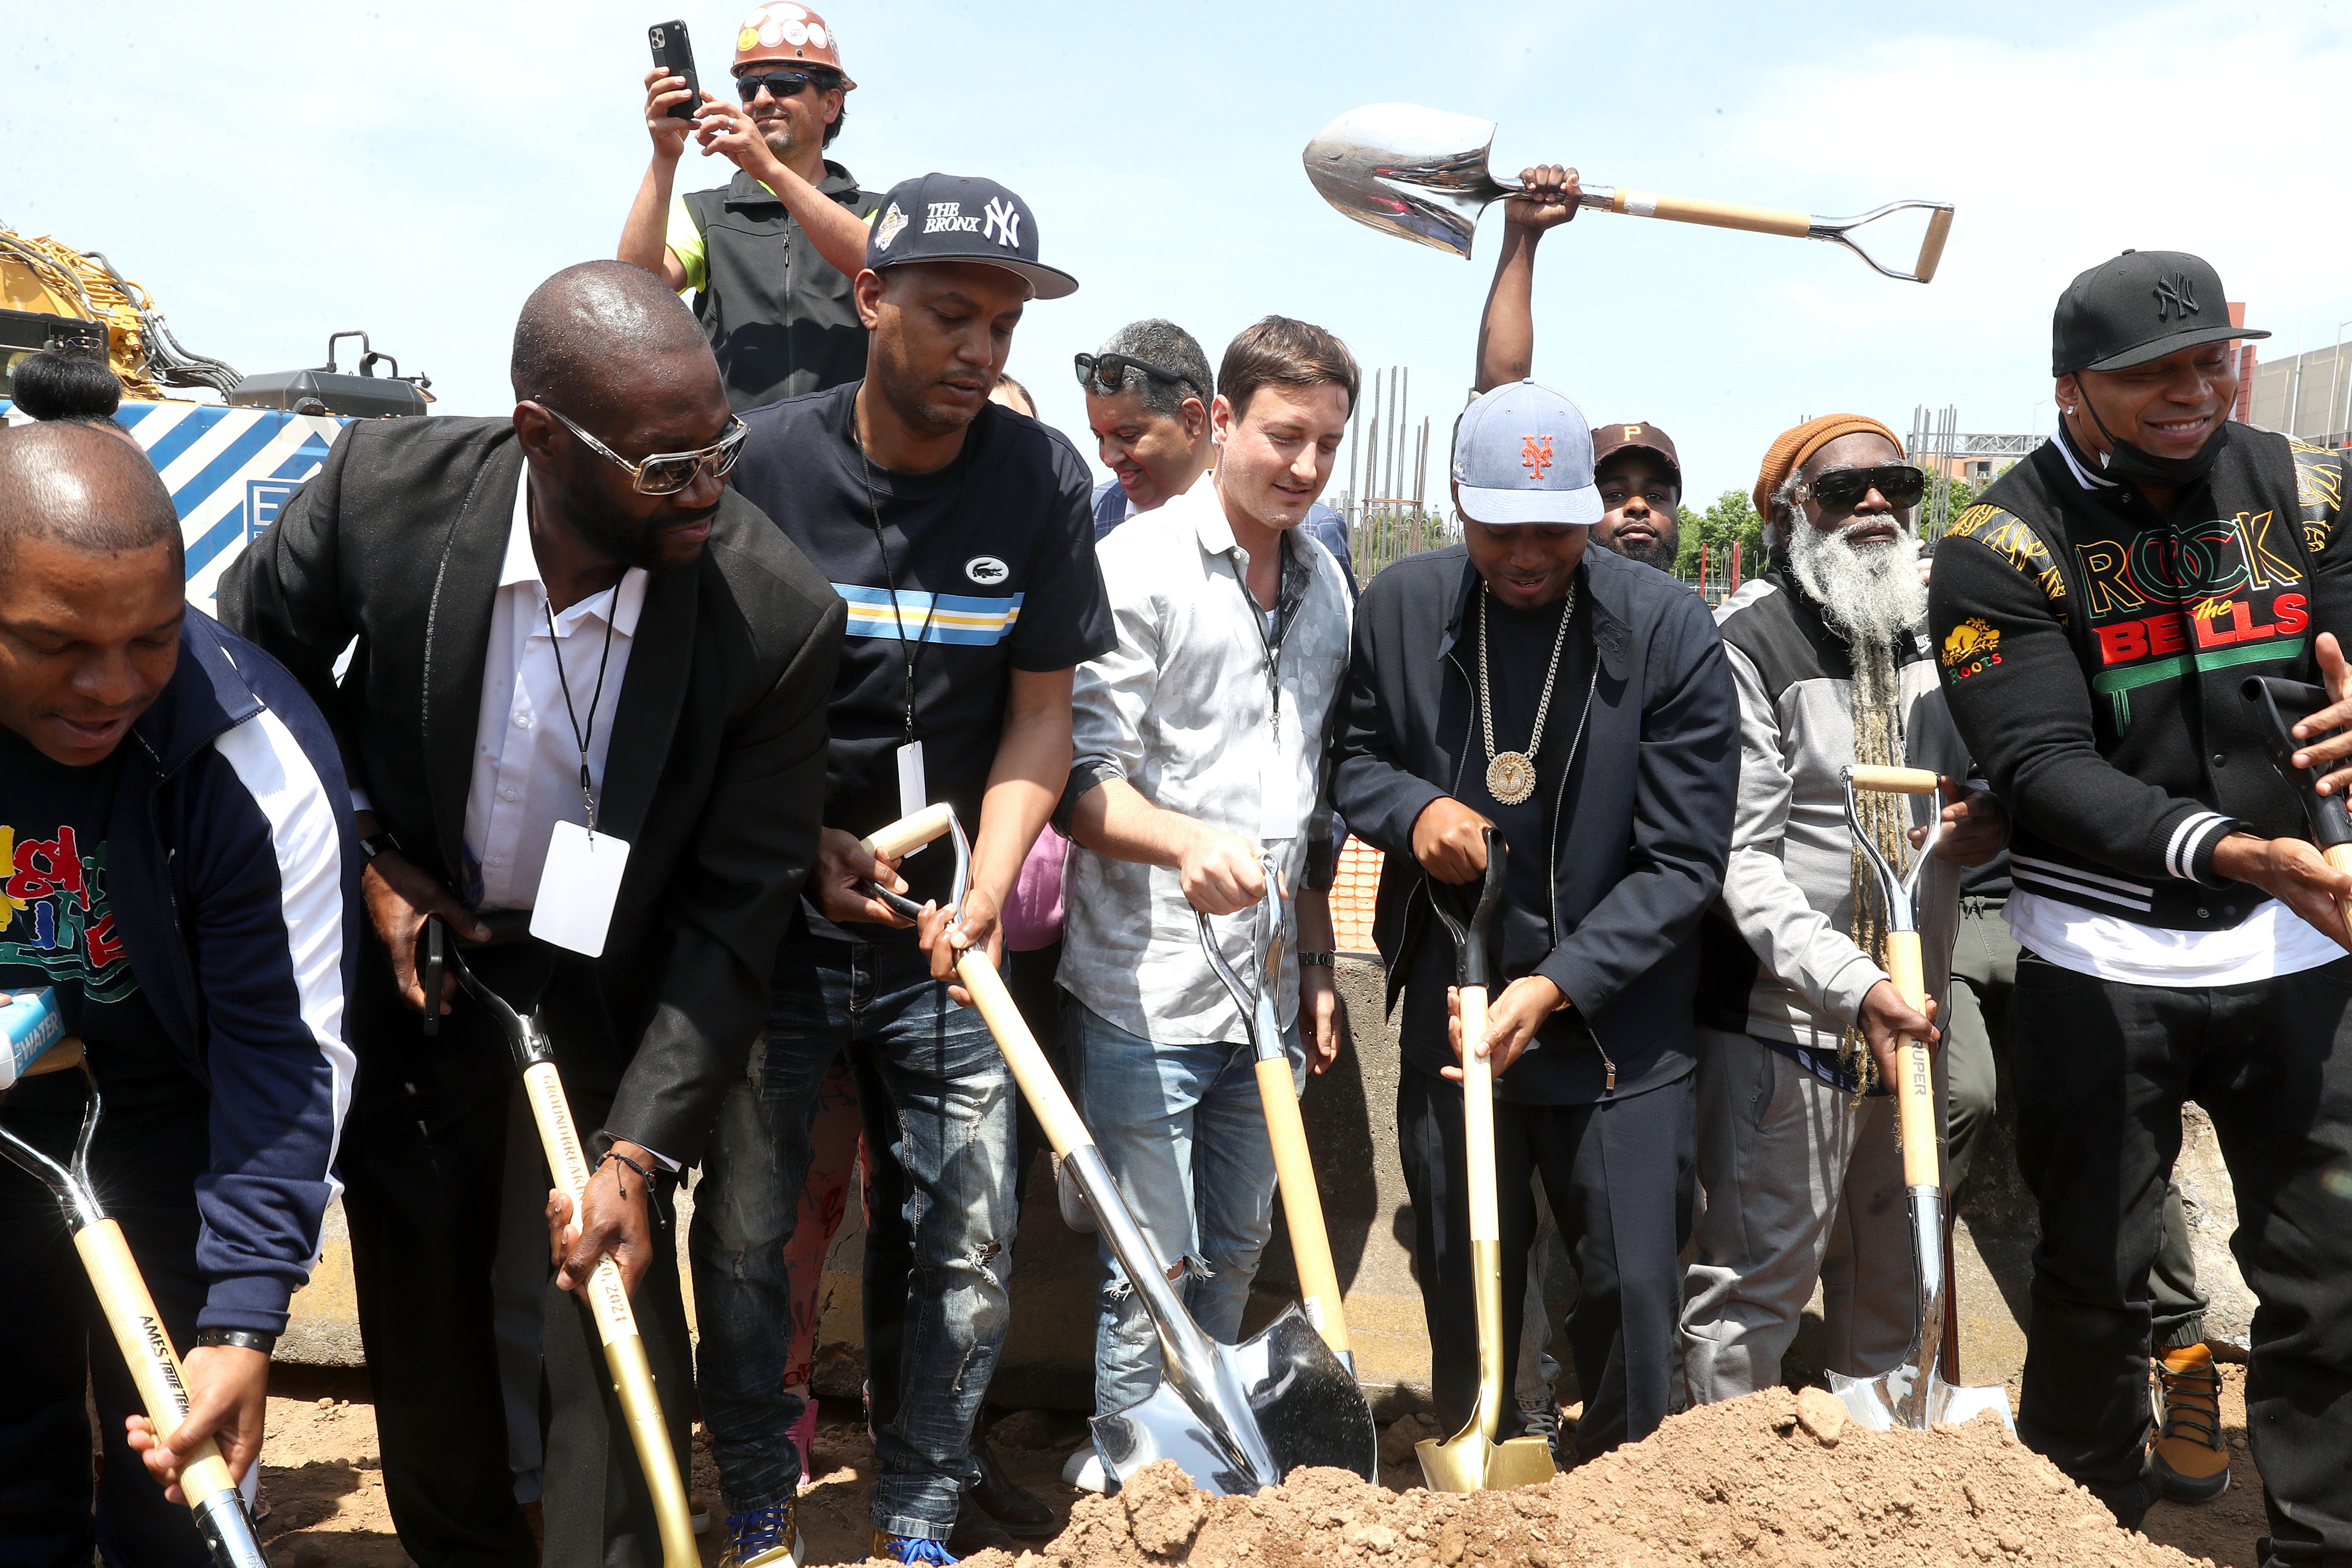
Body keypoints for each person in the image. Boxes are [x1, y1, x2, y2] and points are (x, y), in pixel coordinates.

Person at [220, 261, 844, 1568]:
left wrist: (636, 1157)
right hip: (420, 956)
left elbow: (740, 914)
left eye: (720, 447)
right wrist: (371, 852)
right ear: (543, 438)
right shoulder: (379, 500)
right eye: (668, 465)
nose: (709, 487)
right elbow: (250, 662)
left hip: (614, 977)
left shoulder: (774, 616)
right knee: (431, 1314)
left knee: (603, 1314)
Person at [708, 172, 1109, 1565]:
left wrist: (992, 880)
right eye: (949, 314)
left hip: (945, 925)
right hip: (778, 913)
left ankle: (922, 1503)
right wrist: (785, 846)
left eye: (1002, 325)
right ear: (868, 297)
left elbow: (1041, 711)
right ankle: (756, 1480)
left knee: (965, 1228)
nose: (980, 350)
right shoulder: (761, 465)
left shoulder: (1043, 481)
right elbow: (703, 706)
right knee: (754, 1220)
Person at [1929, 248, 2352, 1553]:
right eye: (2147, 373)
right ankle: (2086, 1532)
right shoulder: (1998, 545)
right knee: (2095, 1284)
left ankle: (2318, 1539)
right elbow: (2044, 771)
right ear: (2075, 392)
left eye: (2208, 358)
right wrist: (2246, 850)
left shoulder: (2311, 491)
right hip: (2103, 961)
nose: (2190, 389)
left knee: (2330, 1278)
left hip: (2295, 953)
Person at [1331, 380, 1738, 1460]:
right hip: (1454, 1007)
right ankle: (1485, 1462)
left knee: (1627, 1288)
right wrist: (1412, 810)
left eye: (1553, 531)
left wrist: (1555, 985)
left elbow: (1682, 860)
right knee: (1464, 1277)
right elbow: (1353, 759)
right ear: (1457, 505)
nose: (1524, 555)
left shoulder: (1665, 627)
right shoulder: (1403, 604)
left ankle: (1619, 1490)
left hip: (1616, 1023)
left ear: (1590, 513)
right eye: (1497, 531)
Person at [0, 423, 356, 1566]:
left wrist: (244, 1317)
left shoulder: (251, 758)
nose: (111, 688)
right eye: (56, 647)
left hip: (167, 1111)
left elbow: (282, 1055)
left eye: (151, 641)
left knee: (179, 1479)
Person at [1053, 316, 1358, 1491]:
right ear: (1221, 420)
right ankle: (1129, 1509)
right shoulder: (1135, 569)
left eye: (1328, 444)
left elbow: (1314, 805)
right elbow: (1081, 784)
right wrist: (1184, 843)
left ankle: (1212, 1493)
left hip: (1265, 996)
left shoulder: (1326, 584)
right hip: (1147, 990)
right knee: (1153, 1273)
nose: (1307, 467)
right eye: (1286, 437)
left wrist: (1317, 964)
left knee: (1232, 1257)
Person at [1680, 414, 2005, 1402]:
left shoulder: (1937, 628)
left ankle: (1872, 1514)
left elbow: (1983, 776)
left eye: (1894, 486)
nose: (1874, 505)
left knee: (1894, 1290)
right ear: (1785, 515)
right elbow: (1742, 864)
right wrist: (1852, 983)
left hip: (1908, 1020)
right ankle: (1716, 1521)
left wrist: (1984, 817)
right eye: (1840, 490)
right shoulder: (1745, 641)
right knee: (1752, 1291)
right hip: (1784, 1031)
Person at [620, 3, 881, 410]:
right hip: (734, 465)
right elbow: (634, 292)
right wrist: (664, 157)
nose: (761, 99)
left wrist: (772, 172)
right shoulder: (707, 215)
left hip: (845, 461)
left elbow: (886, 273)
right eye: (748, 88)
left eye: (784, 84)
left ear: (831, 104)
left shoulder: (877, 213)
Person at [1473, 167, 1683, 573]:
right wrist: (1522, 235)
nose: (1638, 507)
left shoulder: (1688, 623)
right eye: (1613, 494)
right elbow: (1505, 402)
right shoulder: (1538, 592)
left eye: (1657, 496)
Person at [1082, 319, 1358, 595]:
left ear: (1193, 420)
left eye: (1129, 436)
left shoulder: (1316, 535)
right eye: (1100, 437)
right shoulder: (1095, 518)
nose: (1108, 457)